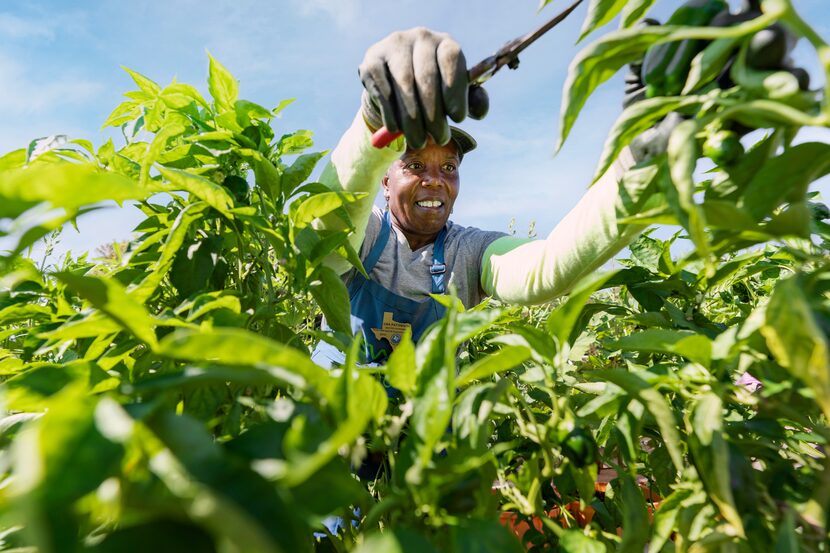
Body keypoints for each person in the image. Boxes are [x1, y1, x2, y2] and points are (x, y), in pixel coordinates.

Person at [309, 27, 651, 368]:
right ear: (385, 180)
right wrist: (371, 122)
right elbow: (327, 230)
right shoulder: (367, 235)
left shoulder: (468, 252)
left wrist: (635, 168)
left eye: (448, 167)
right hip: (333, 412)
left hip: (423, 420)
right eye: (415, 165)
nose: (435, 181)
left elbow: (544, 267)